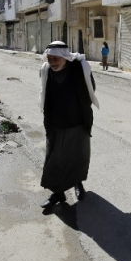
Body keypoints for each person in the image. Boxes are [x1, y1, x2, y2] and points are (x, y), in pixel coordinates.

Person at [39, 41, 99, 209]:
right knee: (54, 160)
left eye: (56, 58)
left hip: (77, 123)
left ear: (65, 57)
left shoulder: (80, 69)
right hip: (54, 124)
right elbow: (44, 93)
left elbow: (91, 89)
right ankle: (57, 193)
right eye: (50, 58)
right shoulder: (45, 70)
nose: (52, 62)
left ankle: (77, 184)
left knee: (77, 157)